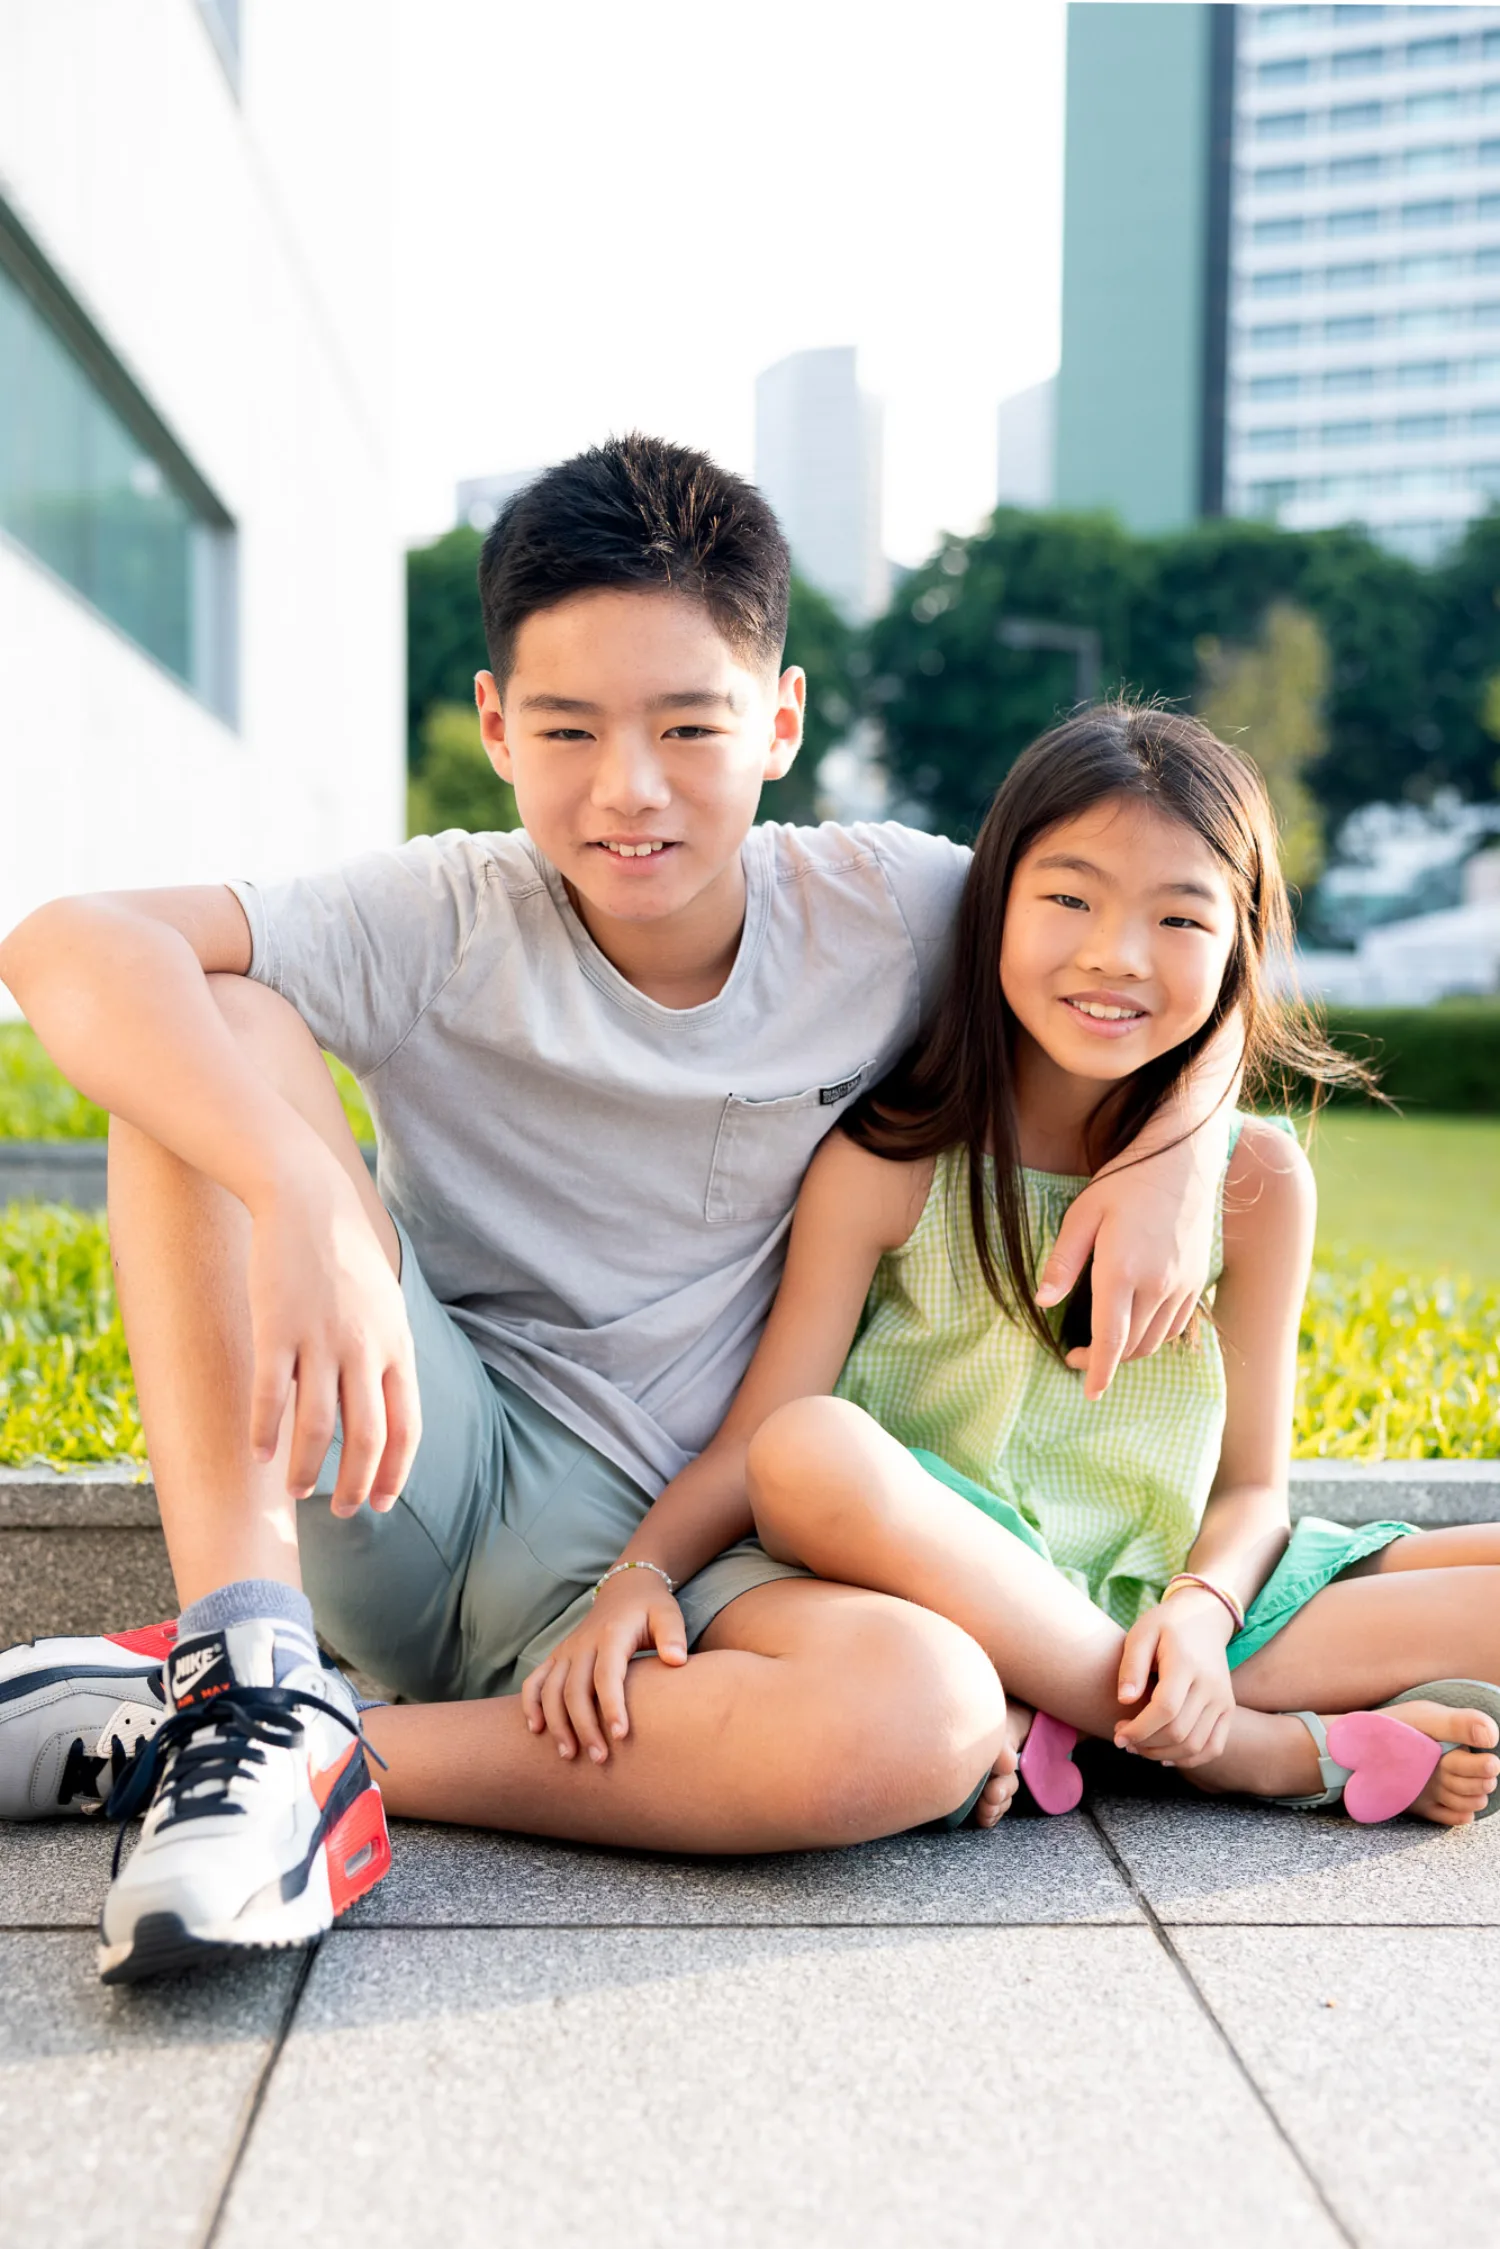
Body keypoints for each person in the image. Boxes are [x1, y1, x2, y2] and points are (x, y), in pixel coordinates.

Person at [0, 441, 1240, 1983]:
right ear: (495, 726)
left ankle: (304, 1748)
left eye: (688, 726)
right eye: (570, 728)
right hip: (416, 1470)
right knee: (220, 1015)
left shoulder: (896, 908)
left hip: (707, 1553)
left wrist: (1188, 1140)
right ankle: (253, 1673)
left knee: (927, 1714)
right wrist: (301, 1192)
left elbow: (1159, 934)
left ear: (779, 723)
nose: (627, 787)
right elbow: (71, 940)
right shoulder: (441, 913)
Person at [536, 703, 1500, 1830]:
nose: (1116, 954)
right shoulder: (891, 1162)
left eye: (1180, 917)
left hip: (1173, 1610)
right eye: (1071, 897)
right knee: (809, 1450)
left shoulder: (1258, 1184)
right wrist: (637, 1578)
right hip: (949, 1596)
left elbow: (1250, 1493)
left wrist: (1196, 1612)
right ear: (995, 904)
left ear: (1237, 940)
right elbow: (758, 1445)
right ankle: (1242, 1750)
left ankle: (1073, 1715)